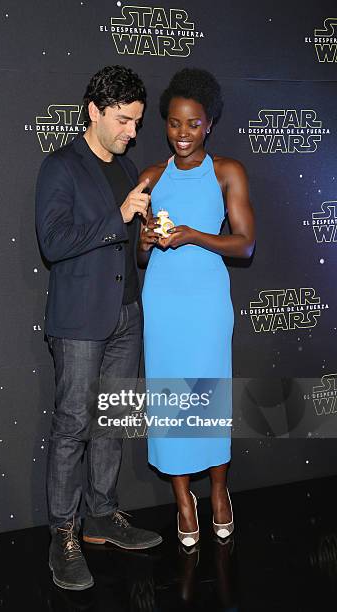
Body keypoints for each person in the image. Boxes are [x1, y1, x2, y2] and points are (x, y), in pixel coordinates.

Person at [35, 65, 162, 592]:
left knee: (113, 422)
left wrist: (147, 238)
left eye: (136, 121)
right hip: (81, 322)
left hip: (127, 315)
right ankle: (63, 535)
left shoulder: (126, 165)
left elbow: (122, 249)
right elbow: (54, 242)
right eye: (124, 120)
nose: (133, 132)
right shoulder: (61, 166)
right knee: (73, 428)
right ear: (94, 110)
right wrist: (119, 216)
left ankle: (102, 516)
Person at [138, 68, 255, 546]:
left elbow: (245, 245)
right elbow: (142, 254)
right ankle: (184, 499)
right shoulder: (151, 176)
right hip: (163, 305)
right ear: (164, 124)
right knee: (170, 401)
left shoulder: (227, 172)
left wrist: (192, 235)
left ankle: (220, 492)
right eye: (173, 123)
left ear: (209, 123)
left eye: (192, 124)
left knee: (209, 397)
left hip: (207, 305)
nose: (182, 134)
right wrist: (145, 241)